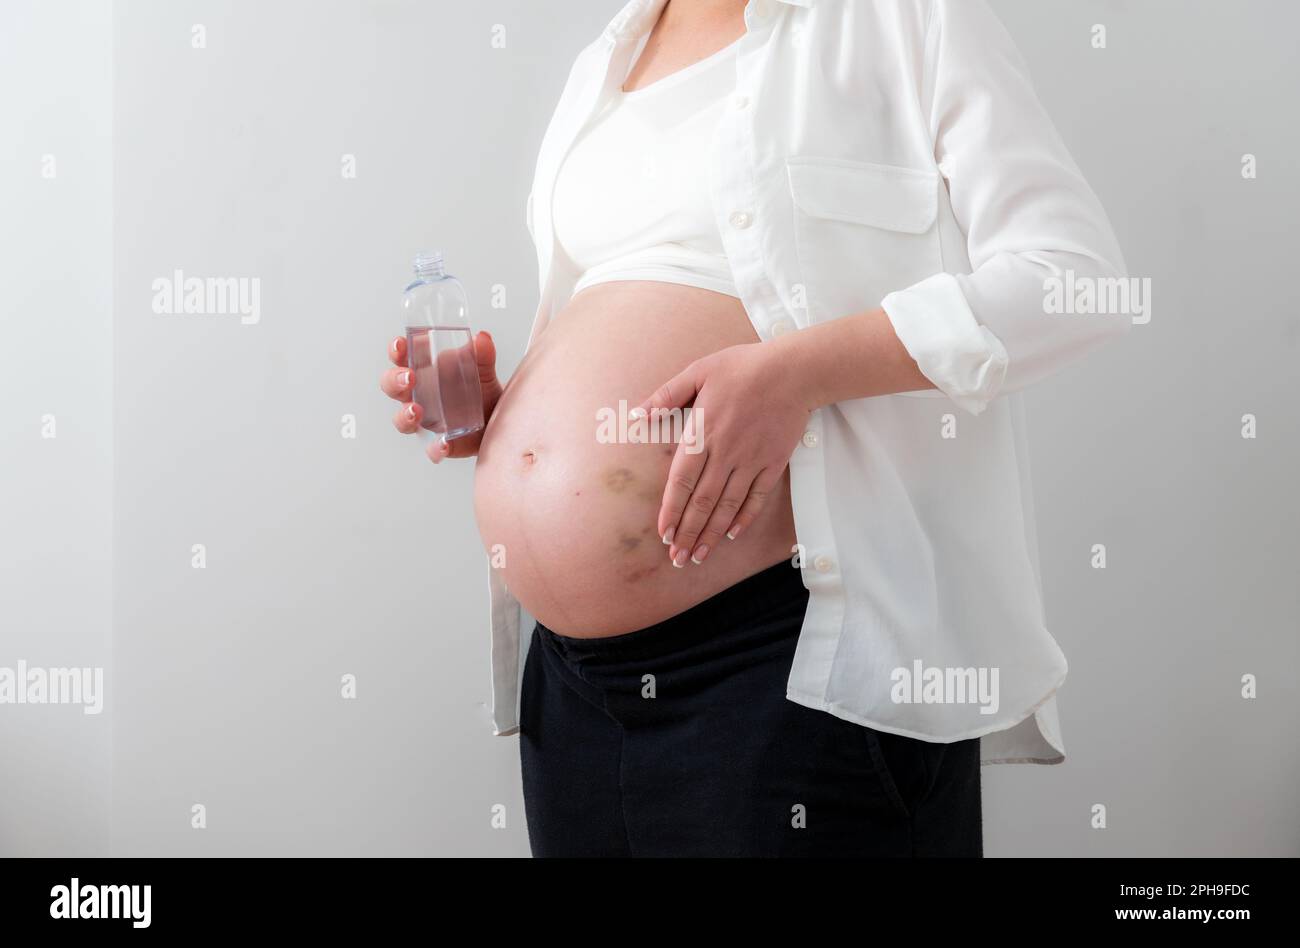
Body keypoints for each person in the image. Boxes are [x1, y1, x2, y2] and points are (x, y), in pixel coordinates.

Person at [380, 0, 1129, 857]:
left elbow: (1071, 280)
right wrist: (511, 411)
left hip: (784, 655)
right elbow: (641, 303)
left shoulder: (905, 18)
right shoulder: (608, 55)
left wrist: (799, 374)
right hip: (572, 687)